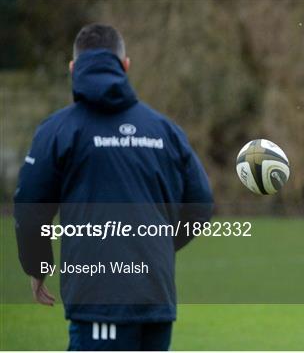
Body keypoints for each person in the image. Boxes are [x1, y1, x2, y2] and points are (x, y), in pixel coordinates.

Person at [14, 23, 213, 350]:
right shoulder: (165, 130)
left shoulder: (59, 130)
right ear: (125, 66)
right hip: (156, 299)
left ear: (73, 68)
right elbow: (201, 203)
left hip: (99, 302)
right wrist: (154, 244)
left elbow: (29, 207)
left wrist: (37, 266)